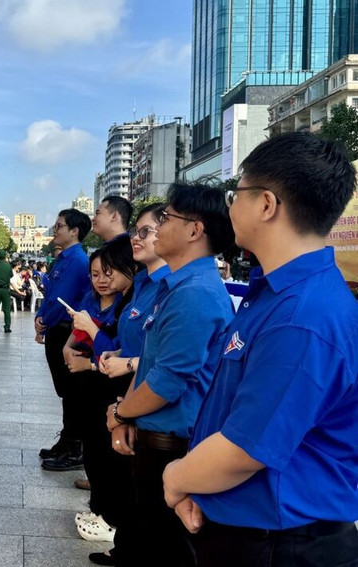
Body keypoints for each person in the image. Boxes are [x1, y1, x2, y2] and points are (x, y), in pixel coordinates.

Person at [162, 132, 358, 566]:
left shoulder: (303, 315)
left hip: (282, 545)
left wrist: (176, 478)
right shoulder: (275, 295)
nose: (230, 207)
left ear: (266, 204)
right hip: (249, 528)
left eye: (236, 194)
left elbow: (244, 449)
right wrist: (201, 486)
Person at [106, 183, 235, 566]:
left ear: (195, 230)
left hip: (173, 446)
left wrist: (120, 413)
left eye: (165, 218)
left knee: (163, 549)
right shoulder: (173, 287)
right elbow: (151, 361)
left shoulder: (195, 293)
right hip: (153, 436)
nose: (157, 227)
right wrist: (125, 413)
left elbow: (168, 382)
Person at [70, 204, 170, 566]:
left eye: (145, 231)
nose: (135, 239)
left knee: (139, 493)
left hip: (150, 408)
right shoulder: (145, 285)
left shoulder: (182, 290)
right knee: (128, 484)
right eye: (136, 232)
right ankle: (125, 546)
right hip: (126, 396)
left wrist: (123, 409)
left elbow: (168, 366)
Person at [52, 239, 139, 552]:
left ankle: (111, 518)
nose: (102, 279)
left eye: (108, 272)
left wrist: (91, 354)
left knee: (110, 456)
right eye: (96, 274)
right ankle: (101, 509)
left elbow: (123, 353)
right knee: (94, 448)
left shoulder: (132, 302)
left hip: (115, 388)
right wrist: (69, 348)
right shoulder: (93, 299)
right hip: (91, 386)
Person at [34, 209, 92, 467]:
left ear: (74, 231)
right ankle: (66, 441)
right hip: (56, 328)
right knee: (66, 391)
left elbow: (63, 299)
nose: (55, 230)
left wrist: (44, 321)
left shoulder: (77, 260)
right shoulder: (63, 258)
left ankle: (74, 448)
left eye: (59, 226)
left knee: (72, 391)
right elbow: (50, 293)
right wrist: (40, 318)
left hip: (67, 330)